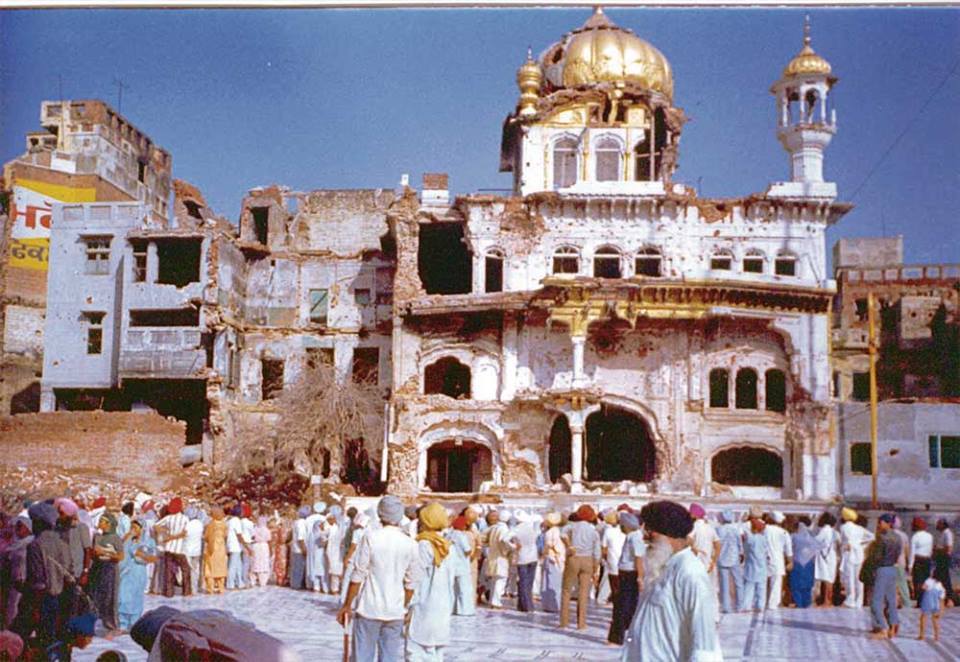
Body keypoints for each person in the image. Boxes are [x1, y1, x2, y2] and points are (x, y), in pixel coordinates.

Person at [622, 501, 722, 662]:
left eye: (651, 531)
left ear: (670, 534)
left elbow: (705, 644)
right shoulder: (660, 567)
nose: (644, 536)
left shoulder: (690, 573)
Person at [337, 496, 424, 662]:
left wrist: (347, 605)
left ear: (380, 514)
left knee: (362, 656)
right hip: (395, 611)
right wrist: (403, 604)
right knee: (389, 657)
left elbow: (358, 575)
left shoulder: (371, 538)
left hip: (369, 608)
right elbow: (411, 582)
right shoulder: (410, 544)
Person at [406, 502, 457, 661]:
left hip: (424, 605)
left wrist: (407, 604)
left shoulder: (424, 545)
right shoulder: (448, 546)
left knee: (415, 651)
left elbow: (416, 577)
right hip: (442, 605)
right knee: (435, 653)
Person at [560, 505, 600, 630]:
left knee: (567, 590)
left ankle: (564, 622)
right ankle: (581, 624)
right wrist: (595, 567)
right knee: (583, 593)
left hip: (574, 557)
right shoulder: (593, 530)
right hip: (588, 560)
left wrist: (569, 546)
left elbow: (562, 534)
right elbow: (597, 552)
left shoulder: (573, 526)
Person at [609, 511, 644, 646]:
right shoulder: (631, 536)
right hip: (625, 573)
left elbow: (638, 558)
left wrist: (640, 577)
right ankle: (623, 634)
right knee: (625, 605)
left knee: (623, 606)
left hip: (630, 574)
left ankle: (617, 637)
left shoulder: (635, 537)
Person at [89, 512, 124, 636]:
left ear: (108, 524)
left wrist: (104, 552)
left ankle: (112, 624)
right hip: (98, 568)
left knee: (110, 597)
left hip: (110, 569)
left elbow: (120, 556)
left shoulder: (115, 538)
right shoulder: (97, 537)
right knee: (95, 597)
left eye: (102, 522)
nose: (99, 524)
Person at [118, 520, 156, 631]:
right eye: (132, 527)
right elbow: (121, 552)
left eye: (135, 527)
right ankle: (123, 624)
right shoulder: (128, 540)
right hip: (126, 572)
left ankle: (134, 624)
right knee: (122, 597)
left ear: (142, 528)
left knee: (136, 598)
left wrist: (138, 554)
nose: (133, 530)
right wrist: (128, 538)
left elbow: (152, 558)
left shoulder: (149, 541)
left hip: (138, 573)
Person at [869, 513, 902, 639]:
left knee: (876, 602)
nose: (879, 524)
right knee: (891, 600)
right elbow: (898, 553)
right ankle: (893, 626)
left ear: (887, 523)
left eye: (880, 522)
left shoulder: (882, 538)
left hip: (882, 569)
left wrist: (872, 569)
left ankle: (883, 627)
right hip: (892, 569)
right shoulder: (898, 537)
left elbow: (877, 557)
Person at [155, 498, 191, 598]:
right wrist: (174, 536)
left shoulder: (168, 518)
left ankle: (169, 593)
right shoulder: (185, 518)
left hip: (168, 548)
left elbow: (156, 526)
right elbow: (185, 533)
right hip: (180, 549)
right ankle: (186, 591)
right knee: (185, 570)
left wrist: (166, 533)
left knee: (169, 571)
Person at [2, 516, 33, 630]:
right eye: (17, 526)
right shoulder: (15, 544)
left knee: (17, 607)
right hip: (13, 581)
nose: (17, 529)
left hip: (23, 581)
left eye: (21, 526)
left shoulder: (30, 543)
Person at [839, 507, 873, 608]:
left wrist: (850, 544)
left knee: (849, 577)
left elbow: (845, 539)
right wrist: (862, 545)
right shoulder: (859, 528)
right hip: (859, 553)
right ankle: (859, 601)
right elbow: (872, 537)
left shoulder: (844, 527)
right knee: (859, 578)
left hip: (849, 553)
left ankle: (850, 600)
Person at [481, 510, 515, 610]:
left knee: (495, 581)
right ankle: (496, 603)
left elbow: (483, 539)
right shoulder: (503, 529)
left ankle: (492, 601)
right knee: (500, 580)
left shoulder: (493, 528)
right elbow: (504, 540)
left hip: (492, 556)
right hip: (501, 557)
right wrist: (512, 547)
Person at [788, 515, 820, 609]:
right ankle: (807, 603)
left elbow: (789, 548)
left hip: (797, 561)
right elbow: (816, 549)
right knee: (807, 585)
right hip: (809, 563)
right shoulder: (811, 537)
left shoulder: (793, 536)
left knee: (796, 585)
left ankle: (799, 603)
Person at [763, 511, 793, 610]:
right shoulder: (784, 532)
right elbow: (788, 550)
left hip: (764, 558)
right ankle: (772, 604)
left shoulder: (764, 529)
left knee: (762, 582)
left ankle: (761, 603)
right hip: (778, 560)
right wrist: (790, 562)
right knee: (775, 583)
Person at [716, 510, 743, 614]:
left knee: (724, 583)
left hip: (722, 558)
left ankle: (726, 607)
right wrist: (741, 553)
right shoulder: (735, 529)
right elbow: (739, 543)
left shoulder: (719, 529)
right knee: (738, 582)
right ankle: (740, 605)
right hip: (734, 557)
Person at [512, 510, 539, 613]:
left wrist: (514, 546)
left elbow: (504, 539)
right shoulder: (532, 529)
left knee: (523, 582)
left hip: (522, 557)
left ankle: (525, 605)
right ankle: (527, 604)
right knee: (529, 582)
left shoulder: (516, 530)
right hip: (533, 557)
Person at [448, 516, 476, 616]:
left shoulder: (450, 534)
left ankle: (453, 608)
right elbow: (467, 550)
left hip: (452, 565)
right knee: (464, 588)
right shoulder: (461, 535)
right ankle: (465, 610)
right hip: (462, 564)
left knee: (454, 588)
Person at [741, 517, 769, 613]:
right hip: (762, 566)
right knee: (761, 588)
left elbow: (745, 544)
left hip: (751, 566)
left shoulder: (751, 538)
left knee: (749, 587)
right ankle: (760, 606)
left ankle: (746, 606)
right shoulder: (764, 539)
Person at [601, 509, 626, 610]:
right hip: (625, 564)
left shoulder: (608, 531)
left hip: (612, 562)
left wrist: (606, 559)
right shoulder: (627, 532)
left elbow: (604, 548)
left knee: (614, 587)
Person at [540, 512, 565, 614]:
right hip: (555, 558)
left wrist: (543, 555)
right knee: (554, 582)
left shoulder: (550, 532)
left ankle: (549, 604)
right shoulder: (556, 531)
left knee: (550, 581)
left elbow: (548, 546)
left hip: (551, 558)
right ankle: (554, 605)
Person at [814, 512, 839, 607]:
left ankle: (826, 601)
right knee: (830, 579)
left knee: (826, 579)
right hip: (832, 555)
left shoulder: (824, 530)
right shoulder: (834, 531)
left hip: (824, 556)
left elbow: (817, 540)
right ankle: (829, 601)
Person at [202, 506, 228, 594]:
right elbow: (225, 535)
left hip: (212, 548)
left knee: (210, 568)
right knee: (221, 568)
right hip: (221, 547)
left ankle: (210, 588)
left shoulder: (210, 524)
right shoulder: (224, 524)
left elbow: (206, 537)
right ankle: (221, 588)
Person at [910, 517, 933, 606]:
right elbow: (930, 550)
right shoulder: (929, 536)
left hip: (918, 559)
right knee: (926, 580)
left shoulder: (915, 537)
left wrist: (910, 565)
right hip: (927, 560)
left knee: (918, 581)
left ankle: (920, 601)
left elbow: (912, 552)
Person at [918, 572, 946, 641]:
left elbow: (923, 587)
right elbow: (942, 597)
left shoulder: (929, 580)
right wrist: (942, 609)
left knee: (923, 618)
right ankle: (936, 636)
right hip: (936, 603)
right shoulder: (940, 585)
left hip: (927, 602)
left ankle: (922, 635)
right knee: (935, 620)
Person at [932, 519, 954, 606]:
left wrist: (937, 550)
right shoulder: (942, 533)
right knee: (938, 577)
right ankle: (941, 597)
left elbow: (949, 548)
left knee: (944, 577)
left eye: (938, 524)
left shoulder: (947, 533)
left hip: (944, 558)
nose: (936, 525)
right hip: (940, 558)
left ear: (942, 524)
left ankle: (949, 598)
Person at [184, 507, 205, 596]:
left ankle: (188, 589)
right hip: (197, 550)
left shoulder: (187, 524)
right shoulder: (200, 524)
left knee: (188, 570)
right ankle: (194, 589)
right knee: (195, 570)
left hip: (187, 549)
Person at [289, 506, 310, 590]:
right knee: (299, 567)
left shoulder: (296, 522)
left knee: (296, 567)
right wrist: (304, 549)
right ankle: (296, 585)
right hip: (299, 549)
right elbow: (300, 538)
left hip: (295, 548)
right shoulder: (301, 523)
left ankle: (295, 583)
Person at [325, 508, 345, 594]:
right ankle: (334, 589)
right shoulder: (332, 528)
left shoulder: (341, 528)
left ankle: (339, 588)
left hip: (340, 552)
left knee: (339, 570)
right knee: (334, 571)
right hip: (333, 551)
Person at [226, 506, 245, 590]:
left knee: (238, 565)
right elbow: (239, 535)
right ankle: (230, 584)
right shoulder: (236, 521)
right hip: (235, 545)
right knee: (233, 566)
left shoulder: (229, 521)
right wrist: (247, 547)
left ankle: (240, 583)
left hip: (232, 545)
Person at [251, 516, 272, 587]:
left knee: (255, 562)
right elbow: (269, 539)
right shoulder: (266, 530)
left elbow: (252, 537)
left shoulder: (254, 529)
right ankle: (263, 582)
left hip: (256, 546)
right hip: (264, 546)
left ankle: (253, 580)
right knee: (263, 563)